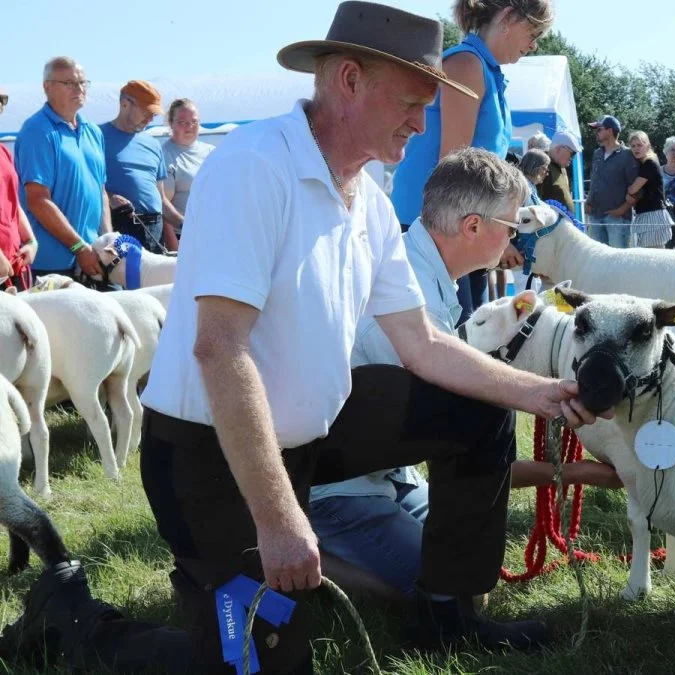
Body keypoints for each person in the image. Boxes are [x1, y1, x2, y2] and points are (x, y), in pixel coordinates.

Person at [0, 6, 607, 673]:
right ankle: (77, 620)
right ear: (348, 80)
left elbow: (424, 345)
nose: (420, 121)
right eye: (411, 102)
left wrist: (542, 394)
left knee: (473, 408)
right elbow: (219, 349)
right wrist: (282, 522)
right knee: (253, 665)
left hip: (314, 436)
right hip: (209, 455)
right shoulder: (254, 167)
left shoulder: (370, 201)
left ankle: (448, 612)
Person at [310, 148, 621, 603]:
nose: (516, 239)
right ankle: (291, 562)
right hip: (338, 489)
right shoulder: (414, 296)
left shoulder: (417, 272)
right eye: (512, 227)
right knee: (449, 590)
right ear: (473, 226)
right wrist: (578, 468)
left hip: (385, 479)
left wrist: (577, 470)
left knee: (469, 569)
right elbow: (473, 453)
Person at [391, 0, 553, 325]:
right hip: (435, 231)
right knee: (455, 342)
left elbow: (487, 167)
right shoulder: (465, 65)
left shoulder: (484, 70)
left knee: (468, 340)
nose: (533, 44)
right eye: (533, 31)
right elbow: (455, 171)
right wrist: (501, 235)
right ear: (507, 18)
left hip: (463, 228)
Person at [14, 56, 111, 280]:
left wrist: (107, 240)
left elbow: (100, 191)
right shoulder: (37, 131)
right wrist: (79, 247)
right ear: (47, 87)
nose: (79, 88)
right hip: (52, 265)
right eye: (69, 83)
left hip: (94, 257)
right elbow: (38, 199)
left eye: (82, 82)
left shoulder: (93, 132)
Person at [100, 80, 182, 253]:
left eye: (154, 114)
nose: (151, 118)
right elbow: (87, 185)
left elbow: (160, 199)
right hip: (119, 227)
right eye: (147, 111)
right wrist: (111, 197)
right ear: (124, 104)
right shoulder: (96, 136)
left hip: (155, 230)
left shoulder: (153, 144)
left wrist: (185, 224)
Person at [0, 83, 39, 290]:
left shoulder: (4, 151)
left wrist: (31, 241)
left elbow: (13, 202)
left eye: (2, 100)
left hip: (14, 263)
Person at [161, 98, 215, 236]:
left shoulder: (212, 152)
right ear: (171, 123)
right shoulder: (163, 155)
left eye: (194, 121)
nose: (189, 126)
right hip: (183, 235)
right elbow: (162, 206)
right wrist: (173, 246)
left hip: (214, 232)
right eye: (182, 122)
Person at [585, 114, 638, 248]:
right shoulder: (597, 153)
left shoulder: (628, 155)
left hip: (618, 219)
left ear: (610, 131)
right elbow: (594, 181)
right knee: (596, 260)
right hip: (595, 215)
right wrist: (588, 202)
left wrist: (622, 210)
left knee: (619, 262)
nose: (596, 133)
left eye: (599, 129)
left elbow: (636, 187)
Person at [625, 130, 671, 248]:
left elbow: (633, 189)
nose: (636, 149)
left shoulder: (649, 163)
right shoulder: (643, 164)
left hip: (653, 214)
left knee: (655, 256)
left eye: (639, 145)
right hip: (646, 214)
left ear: (648, 146)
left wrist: (628, 191)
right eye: (633, 146)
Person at [538, 130, 578, 212]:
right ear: (559, 149)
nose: (572, 158)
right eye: (572, 153)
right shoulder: (542, 165)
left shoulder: (561, 167)